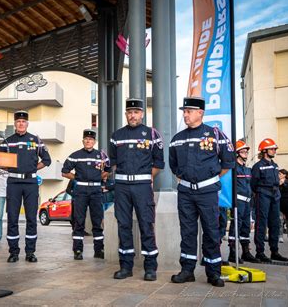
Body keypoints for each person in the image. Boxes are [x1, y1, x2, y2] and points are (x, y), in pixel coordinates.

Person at [169, 96, 234, 288]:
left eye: (189, 111)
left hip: (207, 192)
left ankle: (213, 272)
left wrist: (208, 179)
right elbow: (174, 165)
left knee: (212, 231)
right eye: (184, 111)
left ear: (200, 113)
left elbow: (227, 162)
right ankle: (187, 270)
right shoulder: (177, 139)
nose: (185, 115)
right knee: (187, 231)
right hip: (186, 192)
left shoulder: (215, 135)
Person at [109, 98, 164, 281]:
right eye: (129, 112)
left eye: (136, 112)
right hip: (122, 187)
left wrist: (147, 178)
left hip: (142, 187)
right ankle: (126, 266)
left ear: (142, 114)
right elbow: (114, 163)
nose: (132, 115)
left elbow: (158, 163)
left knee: (146, 224)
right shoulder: (116, 136)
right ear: (126, 114)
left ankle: (150, 267)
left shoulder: (152, 134)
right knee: (123, 225)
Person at [0, 111, 51, 263]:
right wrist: (11, 169)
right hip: (13, 183)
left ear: (27, 124)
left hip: (31, 184)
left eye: (23, 121)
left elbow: (47, 160)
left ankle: (30, 252)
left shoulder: (36, 140)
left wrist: (33, 169)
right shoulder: (7, 141)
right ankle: (13, 252)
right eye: (18, 121)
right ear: (15, 124)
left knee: (31, 219)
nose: (21, 123)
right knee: (12, 218)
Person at [62, 129, 110, 260]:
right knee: (79, 221)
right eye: (86, 139)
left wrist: (98, 177)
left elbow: (109, 170)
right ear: (83, 140)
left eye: (91, 139)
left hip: (96, 191)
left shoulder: (101, 155)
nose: (88, 141)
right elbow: (65, 172)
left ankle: (99, 250)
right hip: (80, 191)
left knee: (97, 221)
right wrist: (77, 178)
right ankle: (77, 250)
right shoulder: (75, 155)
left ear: (94, 142)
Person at [251, 138, 288, 263]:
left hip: (275, 195)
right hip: (263, 195)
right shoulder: (257, 166)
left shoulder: (275, 165)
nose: (274, 151)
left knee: (275, 223)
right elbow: (253, 184)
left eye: (274, 149)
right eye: (272, 149)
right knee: (261, 223)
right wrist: (260, 193)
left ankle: (274, 251)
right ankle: (260, 252)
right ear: (265, 151)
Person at [227, 140, 260, 263]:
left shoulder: (247, 170)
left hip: (247, 202)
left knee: (246, 227)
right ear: (236, 153)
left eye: (246, 151)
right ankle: (233, 253)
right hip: (238, 201)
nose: (246, 153)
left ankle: (246, 252)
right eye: (243, 151)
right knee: (236, 226)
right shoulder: (233, 169)